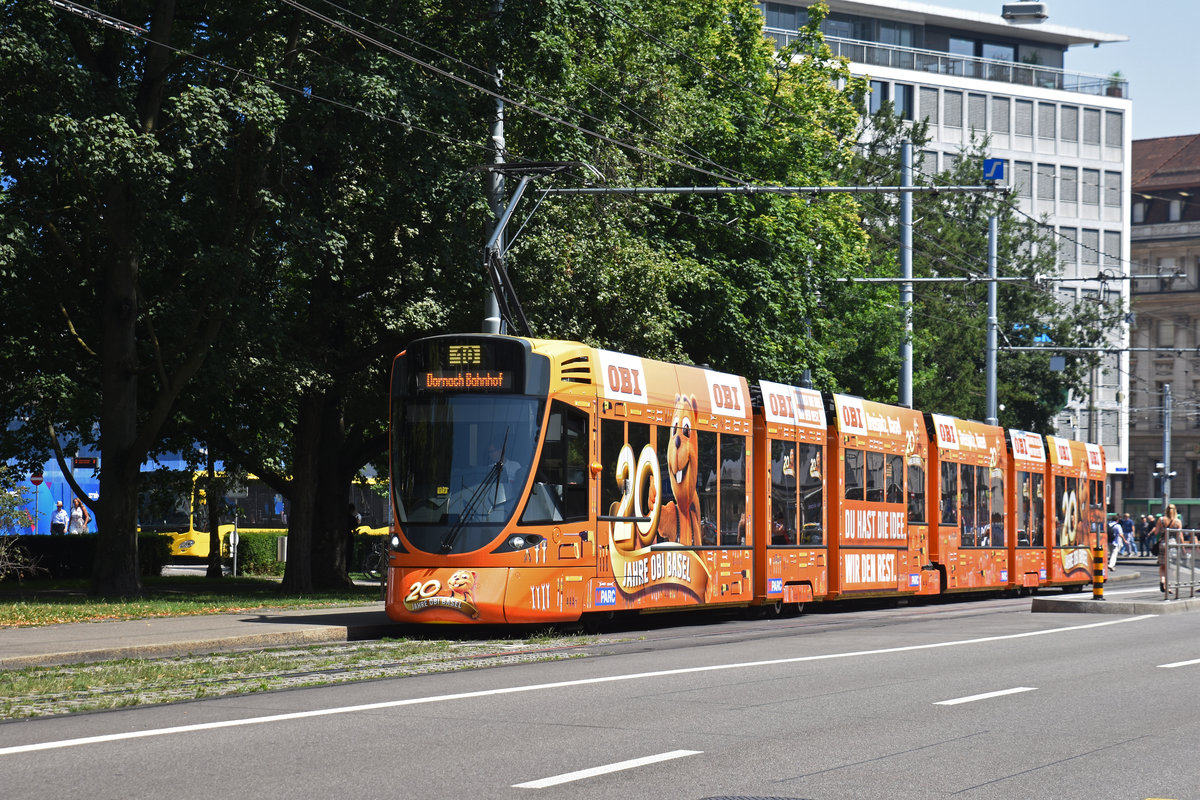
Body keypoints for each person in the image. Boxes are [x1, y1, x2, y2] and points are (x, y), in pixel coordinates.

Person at [1158, 504, 1184, 592]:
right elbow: (1180, 536)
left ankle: (1163, 580)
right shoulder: (1178, 521)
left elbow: (1156, 532)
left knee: (1162, 565)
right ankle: (1168, 585)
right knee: (1172, 566)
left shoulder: (1161, 519)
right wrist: (1183, 548)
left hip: (1162, 543)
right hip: (1172, 544)